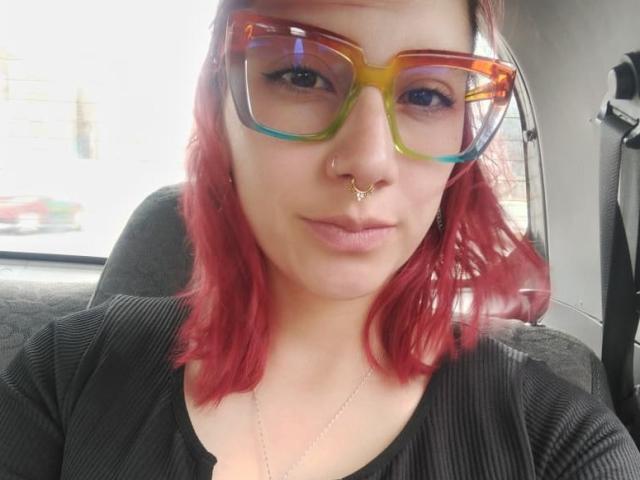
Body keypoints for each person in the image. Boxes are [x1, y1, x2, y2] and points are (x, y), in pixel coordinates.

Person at [1, 0, 640, 479]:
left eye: (426, 94)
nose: (368, 161)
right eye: (302, 76)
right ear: (220, 100)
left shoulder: (561, 446)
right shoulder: (67, 374)